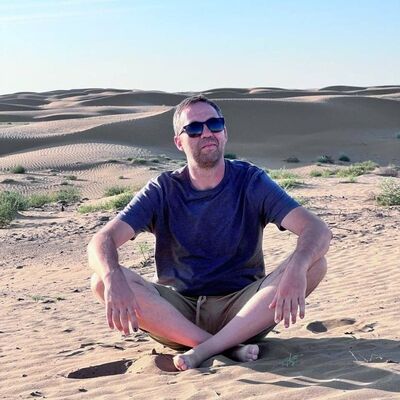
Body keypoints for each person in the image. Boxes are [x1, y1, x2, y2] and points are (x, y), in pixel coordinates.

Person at [88, 95, 332, 371]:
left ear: (224, 132)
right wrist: (113, 277)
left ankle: (206, 349)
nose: (206, 132)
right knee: (100, 280)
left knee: (315, 264)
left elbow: (316, 229)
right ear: (179, 142)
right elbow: (102, 240)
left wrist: (298, 267)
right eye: (194, 128)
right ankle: (224, 347)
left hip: (243, 310)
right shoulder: (163, 189)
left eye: (214, 124)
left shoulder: (251, 181)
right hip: (178, 313)